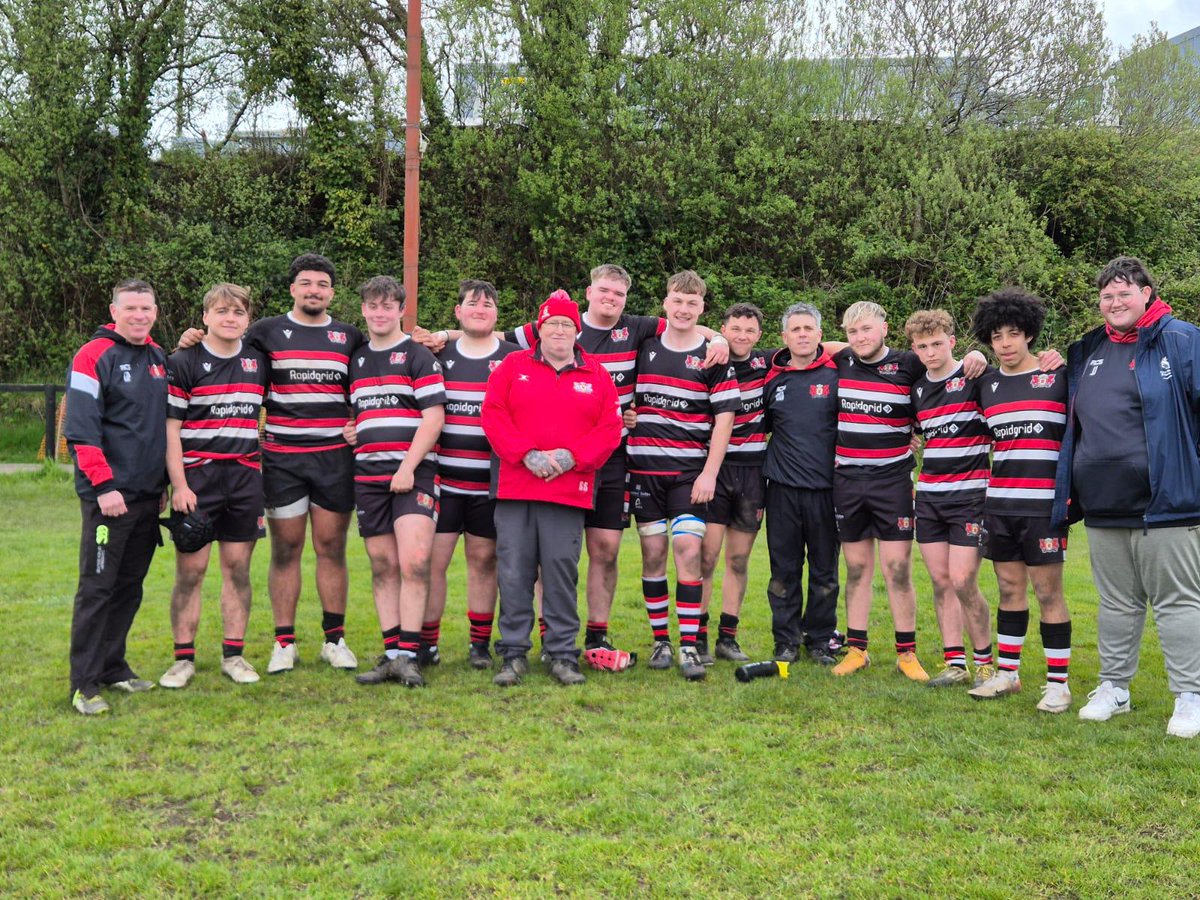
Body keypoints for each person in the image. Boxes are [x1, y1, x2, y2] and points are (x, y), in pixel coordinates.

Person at [417, 264, 727, 658]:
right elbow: (491, 335)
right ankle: (541, 637)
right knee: (541, 553)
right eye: (604, 291)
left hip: (610, 456)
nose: (610, 299)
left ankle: (596, 634)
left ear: (626, 299)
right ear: (589, 292)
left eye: (618, 293)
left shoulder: (639, 327)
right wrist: (446, 334)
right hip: (542, 464)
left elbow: (686, 322)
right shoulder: (554, 326)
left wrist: (717, 335)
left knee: (604, 549)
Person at [1054, 257, 1200, 738]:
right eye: (1107, 296)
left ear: (1147, 294)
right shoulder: (1089, 348)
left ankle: (1190, 696)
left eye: (1124, 294)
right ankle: (1115, 687)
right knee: (1116, 603)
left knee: (1178, 603)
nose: (1115, 303)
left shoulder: (1181, 339)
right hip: (1102, 504)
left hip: (1167, 503)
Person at [829, 302, 986, 681]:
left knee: (898, 568)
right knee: (856, 568)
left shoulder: (909, 363)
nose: (860, 338)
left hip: (894, 481)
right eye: (852, 332)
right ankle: (857, 650)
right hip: (848, 481)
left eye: (866, 329)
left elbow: (948, 366)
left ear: (884, 328)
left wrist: (977, 353)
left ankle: (907, 653)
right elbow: (814, 344)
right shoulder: (842, 360)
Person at [482, 290, 622, 686]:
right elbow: (493, 414)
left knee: (561, 571)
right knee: (513, 572)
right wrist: (525, 453)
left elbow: (609, 429)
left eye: (566, 324)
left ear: (576, 331)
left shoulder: (596, 373)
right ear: (539, 329)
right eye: (551, 324)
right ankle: (512, 654)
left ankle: (562, 654)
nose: (558, 330)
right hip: (516, 485)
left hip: (567, 489)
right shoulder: (512, 365)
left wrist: (569, 458)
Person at [248, 253, 364, 674]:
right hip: (283, 460)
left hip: (334, 458)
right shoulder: (264, 332)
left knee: (331, 547)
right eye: (306, 283)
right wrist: (191, 340)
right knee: (286, 550)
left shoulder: (350, 337)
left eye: (322, 284)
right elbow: (227, 357)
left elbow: (368, 387)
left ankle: (334, 640)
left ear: (332, 292)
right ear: (292, 288)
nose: (314, 290)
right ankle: (284, 642)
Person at [627, 271, 740, 680]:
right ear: (665, 302)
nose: (684, 309)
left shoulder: (713, 356)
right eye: (678, 300)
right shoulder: (644, 346)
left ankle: (690, 646)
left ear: (701, 309)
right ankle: (661, 640)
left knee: (689, 553)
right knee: (653, 556)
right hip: (643, 471)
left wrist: (710, 474)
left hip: (689, 474)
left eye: (692, 303)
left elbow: (725, 421)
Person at [966, 288, 1073, 714]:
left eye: (1013, 334)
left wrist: (1062, 358)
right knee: (1009, 588)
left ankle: (1058, 684)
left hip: (1044, 506)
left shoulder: (1058, 377)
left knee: (1048, 592)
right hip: (1000, 504)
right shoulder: (986, 384)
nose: (1005, 343)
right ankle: (1007, 676)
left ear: (1029, 334)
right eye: (996, 337)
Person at [64, 279, 169, 715]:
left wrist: (163, 483)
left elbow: (161, 427)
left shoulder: (159, 357)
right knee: (97, 589)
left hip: (147, 497)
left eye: (146, 308)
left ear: (155, 312)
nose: (139, 315)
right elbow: (81, 430)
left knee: (129, 587)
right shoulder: (92, 356)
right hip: (109, 498)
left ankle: (113, 667)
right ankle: (84, 684)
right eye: (131, 308)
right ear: (114, 310)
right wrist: (104, 487)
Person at [160, 284, 268, 689]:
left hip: (244, 478)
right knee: (191, 571)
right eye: (221, 311)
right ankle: (183, 659)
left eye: (238, 312)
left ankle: (233, 655)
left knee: (238, 569)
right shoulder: (184, 361)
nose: (230, 318)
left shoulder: (259, 361)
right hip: (198, 479)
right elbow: (171, 430)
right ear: (205, 317)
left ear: (247, 319)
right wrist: (180, 485)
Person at [342, 277, 446, 688]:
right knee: (383, 565)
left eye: (388, 306)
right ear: (364, 310)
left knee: (415, 562)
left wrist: (407, 466)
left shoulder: (419, 356)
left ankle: (409, 654)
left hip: (414, 473)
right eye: (373, 306)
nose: (380, 312)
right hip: (368, 474)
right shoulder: (357, 358)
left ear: (401, 310)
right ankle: (390, 653)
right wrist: (355, 430)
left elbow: (434, 418)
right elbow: (361, 412)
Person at [423, 280, 519, 669]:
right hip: (441, 481)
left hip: (490, 483)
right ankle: (426, 643)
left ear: (497, 314)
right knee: (433, 562)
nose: (480, 308)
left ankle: (479, 644)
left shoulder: (515, 357)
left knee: (482, 561)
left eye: (488, 303)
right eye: (472, 303)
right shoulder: (436, 355)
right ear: (457, 311)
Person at [905, 310, 995, 688]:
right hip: (929, 496)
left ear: (952, 342)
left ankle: (987, 662)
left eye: (937, 344)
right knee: (941, 581)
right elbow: (913, 432)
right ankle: (955, 663)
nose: (930, 352)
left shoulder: (975, 376)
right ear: (914, 349)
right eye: (922, 346)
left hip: (970, 496)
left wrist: (983, 355)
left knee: (963, 580)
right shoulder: (917, 389)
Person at [762, 303, 842, 666]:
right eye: (795, 329)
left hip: (827, 491)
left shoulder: (837, 372)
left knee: (825, 572)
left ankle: (821, 639)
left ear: (820, 334)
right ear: (784, 337)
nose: (803, 334)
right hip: (781, 489)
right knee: (784, 571)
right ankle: (786, 640)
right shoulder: (771, 377)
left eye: (809, 328)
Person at [697, 302, 771, 664]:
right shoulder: (709, 358)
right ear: (723, 329)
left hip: (753, 471)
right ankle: (697, 636)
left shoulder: (766, 362)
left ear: (759, 336)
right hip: (715, 469)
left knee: (738, 559)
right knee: (706, 556)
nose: (742, 336)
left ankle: (728, 637)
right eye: (735, 329)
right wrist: (712, 339)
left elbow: (828, 347)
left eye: (750, 331)